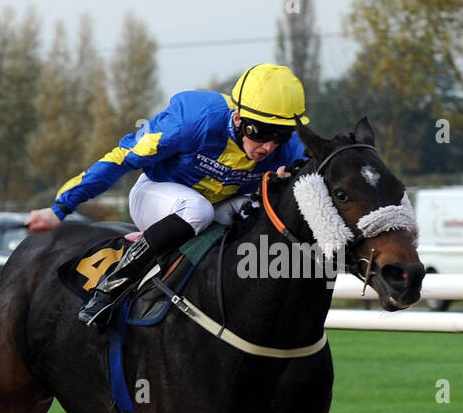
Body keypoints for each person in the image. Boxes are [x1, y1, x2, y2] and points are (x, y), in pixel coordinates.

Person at [25, 63, 310, 329]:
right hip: (155, 196)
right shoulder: (193, 120)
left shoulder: (286, 147)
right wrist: (60, 208)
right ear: (237, 119)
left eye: (281, 135)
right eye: (260, 133)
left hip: (215, 209)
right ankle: (111, 287)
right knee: (198, 209)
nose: (269, 147)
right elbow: (121, 158)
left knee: (263, 207)